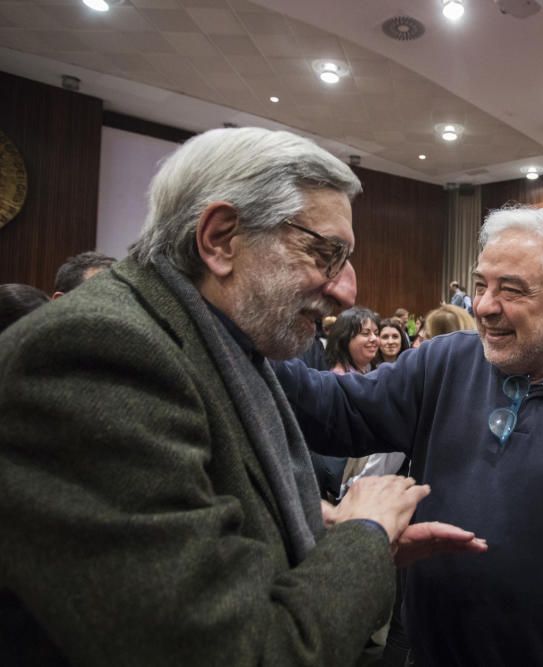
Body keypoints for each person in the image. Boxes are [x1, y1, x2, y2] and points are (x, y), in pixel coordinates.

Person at [0, 127, 483, 666]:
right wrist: (365, 534)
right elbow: (233, 652)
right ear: (221, 238)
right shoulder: (97, 354)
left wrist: (345, 536)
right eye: (325, 253)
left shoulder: (221, 342)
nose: (346, 290)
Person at [276, 205, 543, 666]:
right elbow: (335, 410)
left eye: (511, 290)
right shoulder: (447, 360)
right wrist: (248, 338)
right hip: (432, 650)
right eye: (481, 285)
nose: (483, 306)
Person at [325, 306, 380, 374]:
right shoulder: (339, 378)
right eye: (365, 333)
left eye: (376, 333)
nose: (374, 338)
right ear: (344, 339)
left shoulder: (372, 369)